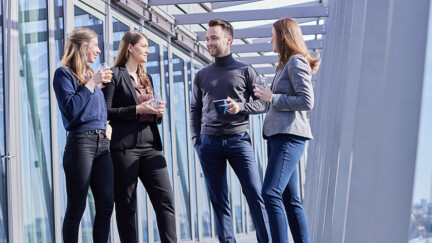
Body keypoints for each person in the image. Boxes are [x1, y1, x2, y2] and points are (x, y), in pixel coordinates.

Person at [190, 19, 270, 243]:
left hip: (239, 141)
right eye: (207, 39)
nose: (209, 43)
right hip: (209, 143)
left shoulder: (245, 70)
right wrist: (197, 140)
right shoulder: (201, 75)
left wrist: (241, 107)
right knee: (218, 201)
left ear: (228, 39)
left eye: (214, 38)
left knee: (255, 194)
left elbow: (264, 103)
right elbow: (194, 109)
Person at [102, 30, 176, 243]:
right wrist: (137, 109)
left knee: (165, 200)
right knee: (126, 206)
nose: (147, 50)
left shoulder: (147, 77)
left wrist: (158, 113)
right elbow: (106, 112)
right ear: (130, 48)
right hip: (124, 148)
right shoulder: (114, 75)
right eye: (143, 46)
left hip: (151, 145)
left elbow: (150, 113)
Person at [254, 18, 320, 243]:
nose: (270, 39)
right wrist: (266, 96)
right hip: (278, 137)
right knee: (290, 199)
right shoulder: (283, 65)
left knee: (270, 192)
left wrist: (273, 97)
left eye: (272, 34)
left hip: (288, 137)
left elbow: (306, 100)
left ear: (283, 36)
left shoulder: (296, 61)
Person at [53, 27, 114, 243]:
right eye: (95, 45)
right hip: (81, 144)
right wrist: (91, 84)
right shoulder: (63, 74)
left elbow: (95, 111)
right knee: (76, 207)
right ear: (83, 46)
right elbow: (71, 108)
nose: (98, 51)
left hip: (102, 144)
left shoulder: (91, 75)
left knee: (106, 204)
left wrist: (107, 124)